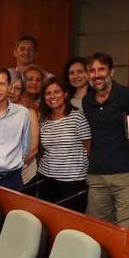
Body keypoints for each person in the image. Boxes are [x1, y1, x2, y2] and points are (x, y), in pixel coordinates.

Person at [83, 52, 129, 227]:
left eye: (102, 69)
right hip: (97, 176)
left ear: (111, 72)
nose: (97, 74)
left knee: (125, 233)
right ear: (87, 75)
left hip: (126, 177)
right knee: (98, 231)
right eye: (92, 70)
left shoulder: (127, 96)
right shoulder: (87, 101)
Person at [37, 77, 90, 213]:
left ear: (65, 94)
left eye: (57, 92)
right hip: (47, 179)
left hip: (73, 182)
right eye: (48, 93)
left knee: (71, 223)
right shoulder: (44, 121)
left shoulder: (78, 117)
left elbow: (89, 149)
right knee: (49, 221)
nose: (53, 96)